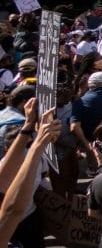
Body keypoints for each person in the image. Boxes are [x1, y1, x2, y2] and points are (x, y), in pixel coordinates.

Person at [0, 104, 60, 248]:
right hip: (19, 222)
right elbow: (13, 210)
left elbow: (1, 180)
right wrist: (39, 143)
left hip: (30, 218)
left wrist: (29, 125)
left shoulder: (36, 160)